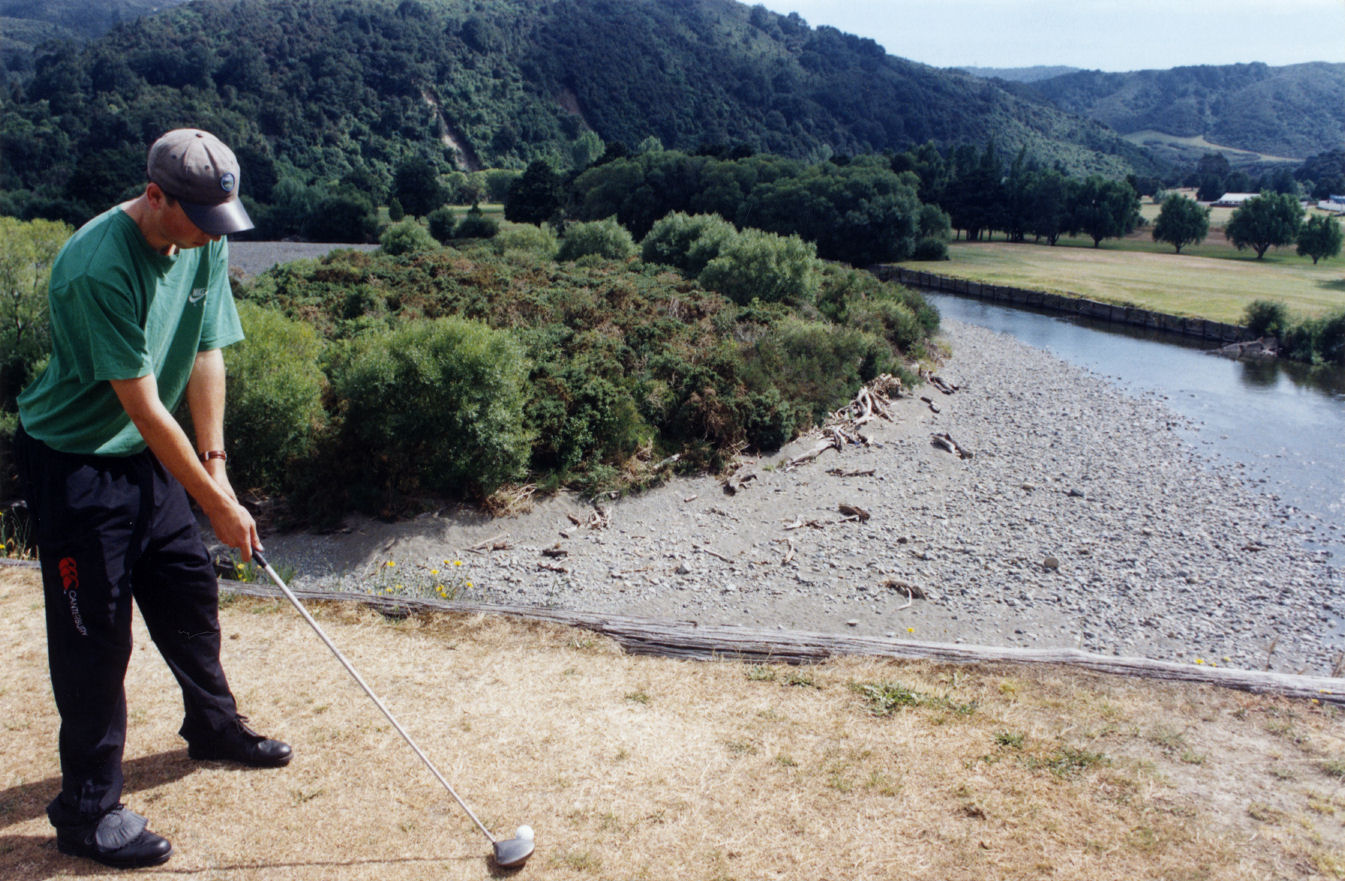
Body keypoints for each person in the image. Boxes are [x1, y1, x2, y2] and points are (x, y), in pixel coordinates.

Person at [13, 128, 291, 870]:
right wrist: (216, 505)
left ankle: (213, 726)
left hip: (149, 454)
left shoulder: (207, 229)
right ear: (155, 194)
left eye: (219, 219)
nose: (209, 233)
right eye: (194, 217)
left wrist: (217, 465)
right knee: (96, 635)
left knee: (189, 591)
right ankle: (87, 808)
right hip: (75, 460)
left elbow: (205, 350)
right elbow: (140, 406)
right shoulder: (96, 268)